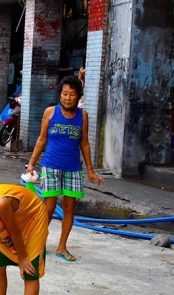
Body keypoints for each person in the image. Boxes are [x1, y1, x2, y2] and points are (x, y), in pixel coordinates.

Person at [26, 76, 105, 262]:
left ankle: (62, 247)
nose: (67, 98)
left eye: (72, 94)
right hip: (51, 165)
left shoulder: (82, 116)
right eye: (64, 94)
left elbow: (84, 144)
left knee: (69, 209)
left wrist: (90, 170)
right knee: (49, 208)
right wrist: (31, 163)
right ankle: (38, 244)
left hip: (73, 169)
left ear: (78, 97)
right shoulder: (50, 112)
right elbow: (41, 139)